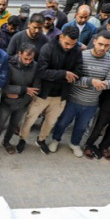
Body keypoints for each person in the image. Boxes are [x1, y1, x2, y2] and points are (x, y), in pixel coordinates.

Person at [16, 26, 82, 154]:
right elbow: (42, 72)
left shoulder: (77, 51)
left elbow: (78, 72)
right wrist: (64, 74)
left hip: (61, 96)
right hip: (43, 93)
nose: (69, 47)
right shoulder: (47, 48)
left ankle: (41, 140)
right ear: (61, 36)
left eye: (72, 44)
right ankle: (22, 139)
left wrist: (62, 75)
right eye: (67, 43)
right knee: (30, 119)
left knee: (50, 122)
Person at [50, 30, 110, 157]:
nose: (103, 48)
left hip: (92, 103)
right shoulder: (81, 55)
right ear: (94, 41)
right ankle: (55, 139)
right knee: (62, 122)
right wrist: (92, 81)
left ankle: (74, 143)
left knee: (81, 127)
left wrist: (99, 83)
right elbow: (73, 78)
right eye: (101, 44)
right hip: (73, 99)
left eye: (107, 45)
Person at [0, 44, 38, 155]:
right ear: (19, 53)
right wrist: (24, 89)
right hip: (7, 102)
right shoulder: (9, 65)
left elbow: (35, 89)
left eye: (31, 59)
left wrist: (21, 94)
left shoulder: (35, 66)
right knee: (0, 124)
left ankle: (6, 142)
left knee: (14, 125)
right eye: (25, 58)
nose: (27, 62)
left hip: (23, 102)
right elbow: (4, 86)